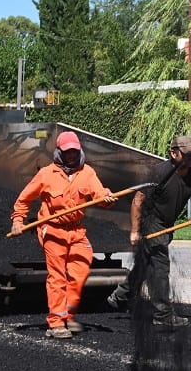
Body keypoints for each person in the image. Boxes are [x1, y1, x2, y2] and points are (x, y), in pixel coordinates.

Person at [107, 135, 191, 328]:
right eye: (187, 155)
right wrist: (135, 230)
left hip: (167, 223)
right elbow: (137, 201)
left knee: (146, 262)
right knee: (159, 266)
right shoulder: (159, 173)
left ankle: (120, 296)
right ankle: (162, 314)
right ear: (174, 153)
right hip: (151, 222)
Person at [10, 131, 118, 339]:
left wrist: (107, 198)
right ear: (59, 151)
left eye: (75, 151)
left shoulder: (87, 173)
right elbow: (24, 200)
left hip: (76, 230)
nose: (72, 155)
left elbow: (100, 195)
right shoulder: (46, 174)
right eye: (67, 151)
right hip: (52, 229)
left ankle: (68, 314)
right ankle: (56, 323)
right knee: (57, 275)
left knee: (80, 270)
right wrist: (18, 220)